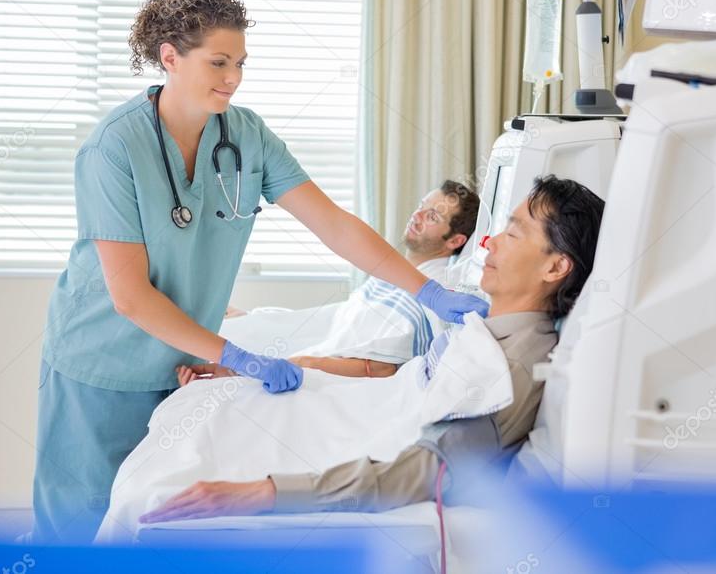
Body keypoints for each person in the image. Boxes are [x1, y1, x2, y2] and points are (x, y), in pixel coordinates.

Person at [30, 0, 487, 544]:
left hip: (178, 355)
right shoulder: (114, 149)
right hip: (99, 363)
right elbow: (129, 296)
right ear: (169, 57)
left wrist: (427, 291)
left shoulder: (245, 135)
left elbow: (335, 225)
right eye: (218, 62)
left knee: (146, 521)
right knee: (77, 530)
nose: (233, 78)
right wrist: (235, 355)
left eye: (241, 63)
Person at [137, 175, 604, 523]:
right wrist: (246, 371)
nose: (489, 242)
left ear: (556, 267)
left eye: (514, 233)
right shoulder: (484, 326)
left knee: (163, 479)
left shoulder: (511, 369)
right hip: (351, 411)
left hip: (356, 440)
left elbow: (425, 472)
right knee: (201, 413)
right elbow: (402, 382)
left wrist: (266, 493)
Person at [189, 180, 481, 381]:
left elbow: (382, 366)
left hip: (324, 358)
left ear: (455, 240)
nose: (416, 216)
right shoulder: (394, 271)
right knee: (223, 322)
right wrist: (258, 318)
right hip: (318, 336)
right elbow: (342, 320)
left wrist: (302, 363)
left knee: (208, 357)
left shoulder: (437, 292)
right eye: (421, 205)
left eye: (432, 216)